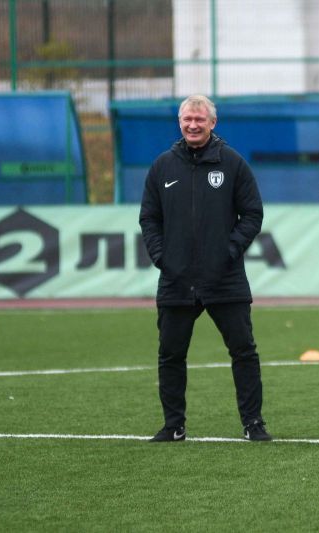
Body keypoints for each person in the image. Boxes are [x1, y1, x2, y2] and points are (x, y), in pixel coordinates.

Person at [139, 94, 272, 442]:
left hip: (225, 278)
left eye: (200, 119)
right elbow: (149, 218)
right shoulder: (162, 166)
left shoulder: (233, 163)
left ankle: (253, 423)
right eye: (187, 119)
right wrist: (162, 257)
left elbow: (252, 213)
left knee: (243, 351)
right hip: (176, 279)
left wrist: (229, 251)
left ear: (213, 123)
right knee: (170, 355)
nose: (193, 125)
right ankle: (174, 426)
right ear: (180, 123)